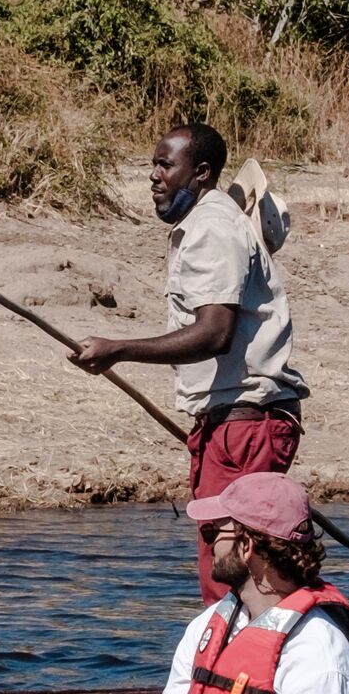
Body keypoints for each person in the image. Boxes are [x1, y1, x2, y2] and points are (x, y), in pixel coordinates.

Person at [69, 123, 303, 597]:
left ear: (200, 172)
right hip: (235, 423)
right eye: (153, 165)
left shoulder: (212, 228)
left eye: (165, 165)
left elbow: (215, 333)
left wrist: (120, 348)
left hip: (244, 429)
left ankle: (244, 664)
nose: (154, 177)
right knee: (245, 564)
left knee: (233, 569)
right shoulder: (209, 222)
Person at [124, 472, 349, 694]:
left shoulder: (318, 654)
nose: (208, 542)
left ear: (245, 547)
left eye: (215, 531)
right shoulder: (209, 625)